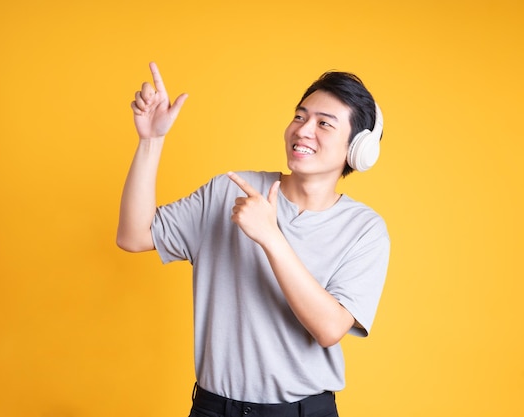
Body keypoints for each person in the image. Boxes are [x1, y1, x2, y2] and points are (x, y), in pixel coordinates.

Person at [117, 62, 390, 417]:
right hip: (214, 408)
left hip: (303, 411)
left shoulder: (364, 229)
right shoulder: (228, 191)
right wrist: (151, 141)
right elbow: (133, 235)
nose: (303, 130)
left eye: (324, 123)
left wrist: (270, 236)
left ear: (357, 149)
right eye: (299, 116)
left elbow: (329, 329)